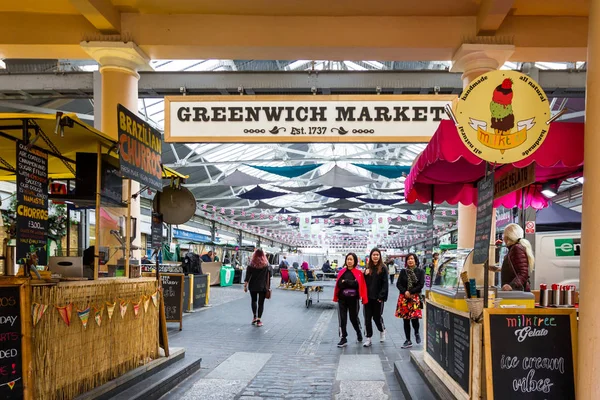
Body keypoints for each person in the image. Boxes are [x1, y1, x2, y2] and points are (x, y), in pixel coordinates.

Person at [332, 252, 368, 347]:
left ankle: (358, 332)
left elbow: (357, 284)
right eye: (348, 259)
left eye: (351, 259)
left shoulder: (358, 273)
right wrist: (351, 283)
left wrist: (346, 281)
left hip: (353, 300)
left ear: (355, 261)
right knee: (342, 319)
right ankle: (343, 337)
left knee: (353, 318)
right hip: (342, 299)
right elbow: (339, 284)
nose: (349, 261)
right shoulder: (341, 272)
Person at [395, 253, 425, 349]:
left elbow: (421, 285)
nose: (410, 260)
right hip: (404, 298)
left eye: (412, 259)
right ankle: (408, 340)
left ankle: (416, 332)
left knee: (414, 318)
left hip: (415, 297)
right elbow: (398, 284)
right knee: (406, 319)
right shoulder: (403, 271)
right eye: (408, 259)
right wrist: (405, 292)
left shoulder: (420, 271)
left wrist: (411, 291)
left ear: (415, 260)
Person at [362, 248, 389, 347]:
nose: (375, 256)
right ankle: (368, 338)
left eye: (377, 255)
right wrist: (365, 274)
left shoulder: (383, 268)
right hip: (367, 298)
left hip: (378, 298)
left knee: (377, 317)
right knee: (367, 318)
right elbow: (363, 283)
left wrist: (381, 296)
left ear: (380, 256)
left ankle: (382, 330)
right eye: (374, 255)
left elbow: (385, 284)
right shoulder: (367, 268)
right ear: (371, 256)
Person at [499, 223, 534, 292]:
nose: (503, 238)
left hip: (517, 293)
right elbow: (516, 268)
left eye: (504, 235)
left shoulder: (516, 248)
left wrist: (511, 286)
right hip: (514, 292)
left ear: (507, 237)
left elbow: (523, 273)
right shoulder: (513, 249)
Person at [244, 249, 272, 327]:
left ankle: (254, 317)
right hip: (263, 286)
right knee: (261, 303)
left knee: (253, 301)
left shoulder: (251, 264)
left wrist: (245, 285)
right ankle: (259, 320)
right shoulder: (266, 265)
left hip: (253, 286)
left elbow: (247, 276)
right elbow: (271, 275)